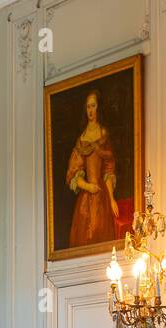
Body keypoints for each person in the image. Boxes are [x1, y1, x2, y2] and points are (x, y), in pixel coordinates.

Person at [65, 89, 119, 247]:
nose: (90, 110)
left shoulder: (103, 134)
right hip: (86, 199)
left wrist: (111, 199)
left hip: (101, 196)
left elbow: (108, 170)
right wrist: (88, 186)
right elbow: (74, 174)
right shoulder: (81, 139)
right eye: (88, 106)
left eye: (93, 106)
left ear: (98, 108)